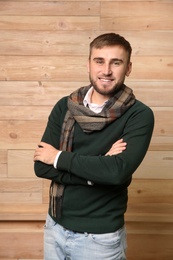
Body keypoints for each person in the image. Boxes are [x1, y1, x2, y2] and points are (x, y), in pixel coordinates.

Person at [34, 33, 154, 260]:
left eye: (115, 63)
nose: (106, 70)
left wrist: (59, 158)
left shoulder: (139, 115)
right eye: (99, 61)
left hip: (100, 239)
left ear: (128, 68)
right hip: (55, 227)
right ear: (88, 64)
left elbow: (116, 173)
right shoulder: (65, 106)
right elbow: (42, 166)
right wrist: (98, 167)